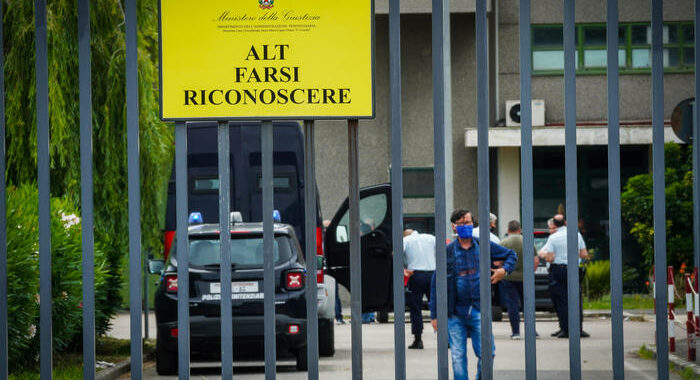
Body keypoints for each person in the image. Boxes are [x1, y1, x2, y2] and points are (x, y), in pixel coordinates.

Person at [430, 209, 518, 380]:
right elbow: (436, 284)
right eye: (462, 223)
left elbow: (510, 255)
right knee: (457, 357)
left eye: (469, 222)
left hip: (479, 310)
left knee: (488, 354)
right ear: (454, 227)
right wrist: (434, 315)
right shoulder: (447, 251)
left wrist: (503, 271)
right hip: (455, 312)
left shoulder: (482, 245)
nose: (466, 226)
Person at [538, 214, 590, 338]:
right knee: (576, 299)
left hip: (559, 270)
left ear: (554, 225)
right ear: (565, 223)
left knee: (561, 300)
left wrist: (548, 256)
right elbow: (584, 254)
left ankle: (565, 329)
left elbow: (550, 258)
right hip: (574, 269)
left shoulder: (553, 237)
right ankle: (578, 329)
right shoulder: (576, 235)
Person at [499, 220, 539, 340]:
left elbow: (499, 261)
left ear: (508, 230)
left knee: (513, 305)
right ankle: (532, 331)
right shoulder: (528, 241)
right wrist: (530, 273)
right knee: (528, 304)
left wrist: (503, 270)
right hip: (525, 278)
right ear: (519, 229)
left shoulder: (503, 243)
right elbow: (535, 260)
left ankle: (515, 332)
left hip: (509, 277)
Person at [403, 229, 436, 349]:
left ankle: (418, 339)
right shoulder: (431, 237)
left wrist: (403, 269)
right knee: (437, 306)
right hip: (433, 274)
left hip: (415, 275)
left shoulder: (406, 240)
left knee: (415, 307)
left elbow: (395, 253)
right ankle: (446, 338)